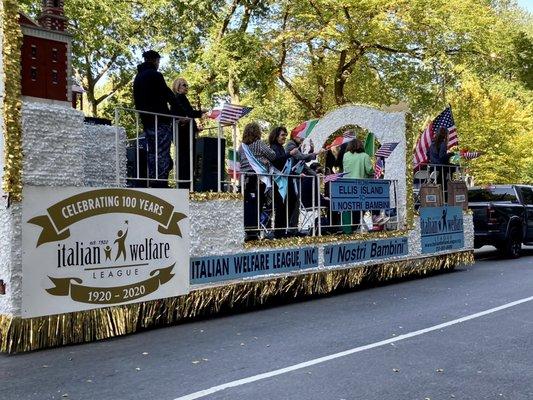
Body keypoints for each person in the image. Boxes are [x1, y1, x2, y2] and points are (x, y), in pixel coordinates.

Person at [133, 50, 176, 188]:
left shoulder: (138, 77)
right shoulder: (156, 75)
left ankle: (153, 180)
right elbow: (168, 94)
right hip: (160, 120)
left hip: (147, 122)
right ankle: (161, 183)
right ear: (155, 61)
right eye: (158, 61)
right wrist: (186, 113)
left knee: (152, 152)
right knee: (162, 153)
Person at [239, 122, 277, 242]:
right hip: (258, 178)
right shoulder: (259, 144)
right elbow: (273, 155)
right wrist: (263, 160)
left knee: (248, 205)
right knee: (258, 205)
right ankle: (255, 230)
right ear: (257, 132)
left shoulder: (241, 147)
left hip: (245, 179)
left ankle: (248, 231)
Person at [285, 130, 324, 233]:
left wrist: (314, 175)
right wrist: (314, 154)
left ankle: (293, 227)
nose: (302, 138)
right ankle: (291, 228)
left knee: (296, 203)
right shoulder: (291, 144)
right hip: (291, 178)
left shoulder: (298, 146)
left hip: (296, 177)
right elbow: (300, 157)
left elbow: (303, 163)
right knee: (293, 203)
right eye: (300, 136)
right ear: (294, 136)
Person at [171, 78, 206, 189]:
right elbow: (188, 113)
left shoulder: (179, 98)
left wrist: (196, 128)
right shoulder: (179, 97)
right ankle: (185, 185)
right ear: (177, 86)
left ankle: (185, 184)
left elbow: (186, 115)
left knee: (186, 159)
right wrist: (201, 112)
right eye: (184, 85)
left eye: (187, 85)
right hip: (183, 135)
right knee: (186, 160)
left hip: (184, 134)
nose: (186, 87)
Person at [342, 137, 374, 233]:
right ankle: (356, 226)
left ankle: (350, 228)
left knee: (350, 207)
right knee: (362, 206)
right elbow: (369, 170)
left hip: (347, 186)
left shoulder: (346, 155)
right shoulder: (365, 156)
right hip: (361, 186)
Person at [268, 126, 291, 238]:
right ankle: (279, 232)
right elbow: (277, 161)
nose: (284, 137)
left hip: (283, 180)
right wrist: (289, 154)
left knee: (284, 206)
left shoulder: (281, 147)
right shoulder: (273, 147)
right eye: (282, 135)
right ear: (276, 136)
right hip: (277, 181)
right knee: (280, 206)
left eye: (285, 135)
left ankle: (282, 230)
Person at [427, 127, 454, 197]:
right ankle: (447, 194)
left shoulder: (432, 144)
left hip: (433, 168)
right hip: (441, 168)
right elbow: (442, 157)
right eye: (448, 135)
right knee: (455, 167)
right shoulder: (443, 144)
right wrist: (450, 154)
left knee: (438, 185)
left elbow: (428, 154)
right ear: (445, 135)